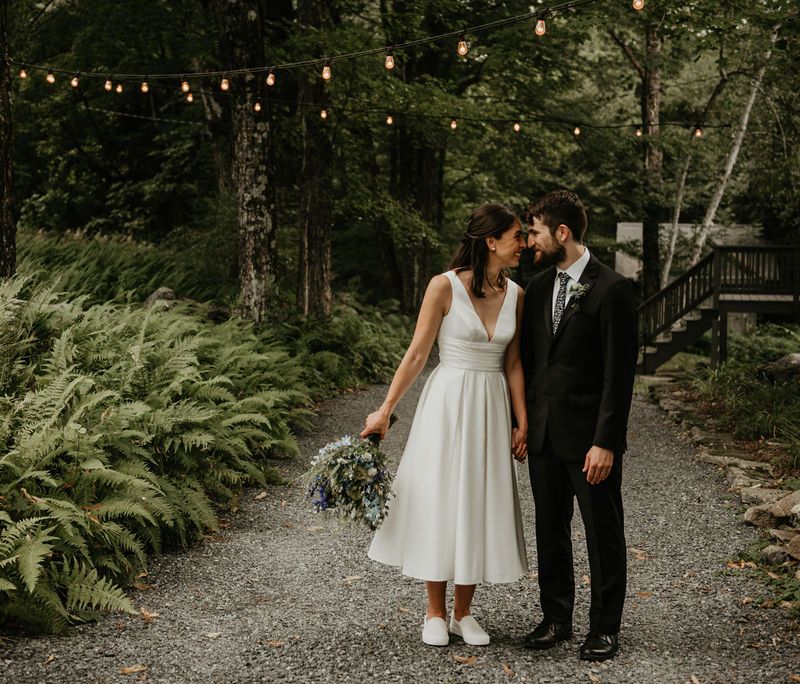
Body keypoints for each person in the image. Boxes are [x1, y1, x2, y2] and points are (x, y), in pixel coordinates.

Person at [361, 203, 528, 648]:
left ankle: (463, 613)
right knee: (442, 496)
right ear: (490, 241)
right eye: (517, 236)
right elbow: (417, 354)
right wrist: (384, 410)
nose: (524, 244)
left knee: (478, 498)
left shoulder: (518, 294)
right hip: (449, 401)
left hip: (492, 405)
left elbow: (513, 361)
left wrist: (522, 419)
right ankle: (434, 611)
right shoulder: (443, 286)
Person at [520, 190, 637, 662]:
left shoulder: (611, 289)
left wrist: (606, 441)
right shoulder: (538, 289)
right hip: (546, 435)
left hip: (591, 440)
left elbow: (619, 375)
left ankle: (605, 627)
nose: (530, 241)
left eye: (535, 231)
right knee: (550, 529)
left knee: (601, 532)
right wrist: (523, 423)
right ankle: (556, 618)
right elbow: (532, 363)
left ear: (561, 233)